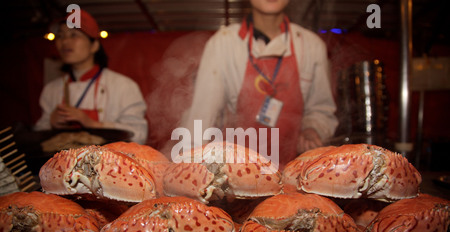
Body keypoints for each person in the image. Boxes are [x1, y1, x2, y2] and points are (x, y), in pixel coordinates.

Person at [172, 0, 338, 167]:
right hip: (233, 172)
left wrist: (313, 129)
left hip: (293, 171)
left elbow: (321, 110)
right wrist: (188, 165)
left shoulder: (312, 46)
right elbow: (201, 119)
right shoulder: (223, 43)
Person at [34, 9, 148, 144]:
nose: (65, 42)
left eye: (74, 35)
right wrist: (51, 123)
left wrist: (93, 124)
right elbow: (37, 137)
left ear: (94, 45)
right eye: (60, 36)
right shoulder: (51, 89)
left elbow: (139, 135)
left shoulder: (123, 86)